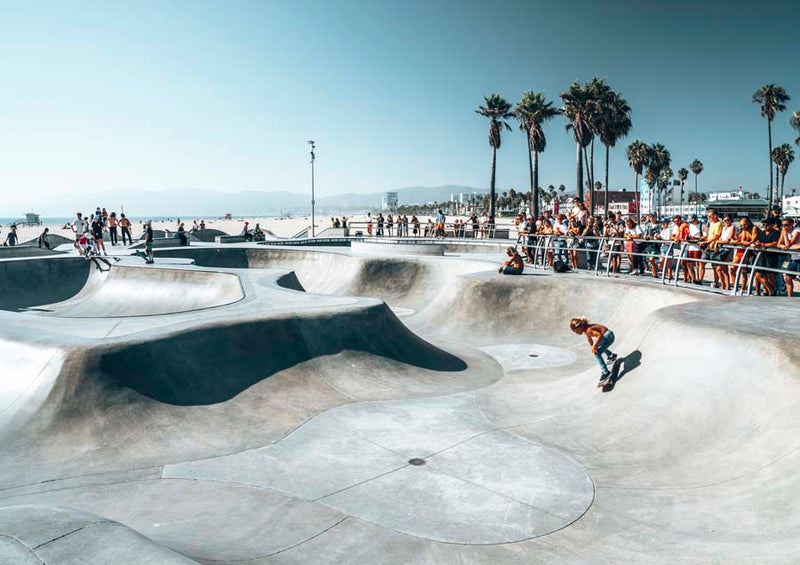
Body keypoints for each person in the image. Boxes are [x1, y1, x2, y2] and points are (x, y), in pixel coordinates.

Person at [569, 317, 619, 386]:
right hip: (608, 335)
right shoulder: (586, 329)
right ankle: (611, 355)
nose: (577, 333)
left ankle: (605, 372)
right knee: (597, 347)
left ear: (580, 327)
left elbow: (599, 335)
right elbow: (589, 338)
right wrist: (592, 346)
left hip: (608, 337)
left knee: (597, 352)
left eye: (577, 331)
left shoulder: (588, 330)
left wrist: (594, 347)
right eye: (576, 333)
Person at [730, 216, 759, 292]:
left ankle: (742, 289)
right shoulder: (744, 230)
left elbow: (753, 240)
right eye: (741, 225)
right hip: (741, 251)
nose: (743, 226)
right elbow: (743, 241)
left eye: (744, 224)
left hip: (749, 252)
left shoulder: (754, 228)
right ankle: (735, 286)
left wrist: (747, 242)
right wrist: (746, 242)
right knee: (732, 269)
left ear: (749, 223)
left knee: (743, 271)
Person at [752, 218, 780, 296]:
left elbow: (775, 243)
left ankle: (770, 290)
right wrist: (757, 243)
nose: (765, 226)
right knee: (758, 274)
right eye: (764, 224)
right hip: (762, 256)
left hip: (771, 256)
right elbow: (758, 240)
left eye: (767, 224)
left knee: (770, 274)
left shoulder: (775, 233)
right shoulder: (762, 233)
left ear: (772, 225)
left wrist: (763, 245)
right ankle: (770, 290)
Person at [698, 208, 722, 286]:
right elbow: (710, 235)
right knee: (702, 263)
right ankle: (700, 280)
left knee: (714, 266)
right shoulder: (711, 224)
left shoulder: (719, 224)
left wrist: (706, 242)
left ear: (715, 216)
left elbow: (716, 236)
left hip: (713, 248)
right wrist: (703, 238)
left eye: (710, 216)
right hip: (708, 247)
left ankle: (716, 282)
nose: (709, 218)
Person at [713, 214, 737, 291]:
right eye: (725, 220)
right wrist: (718, 241)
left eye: (728, 220)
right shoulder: (723, 228)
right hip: (722, 250)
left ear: (731, 221)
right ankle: (727, 286)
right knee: (725, 270)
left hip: (728, 250)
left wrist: (718, 242)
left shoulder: (732, 228)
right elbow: (721, 237)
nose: (726, 222)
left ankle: (724, 285)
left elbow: (729, 239)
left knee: (719, 268)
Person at [778, 217, 800, 297]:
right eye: (783, 225)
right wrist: (782, 246)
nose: (784, 227)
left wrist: (786, 236)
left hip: (799, 258)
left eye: (786, 225)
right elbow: (778, 244)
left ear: (792, 224)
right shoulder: (784, 232)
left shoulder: (796, 231)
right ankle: (789, 297)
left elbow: (789, 244)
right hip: (792, 258)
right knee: (787, 277)